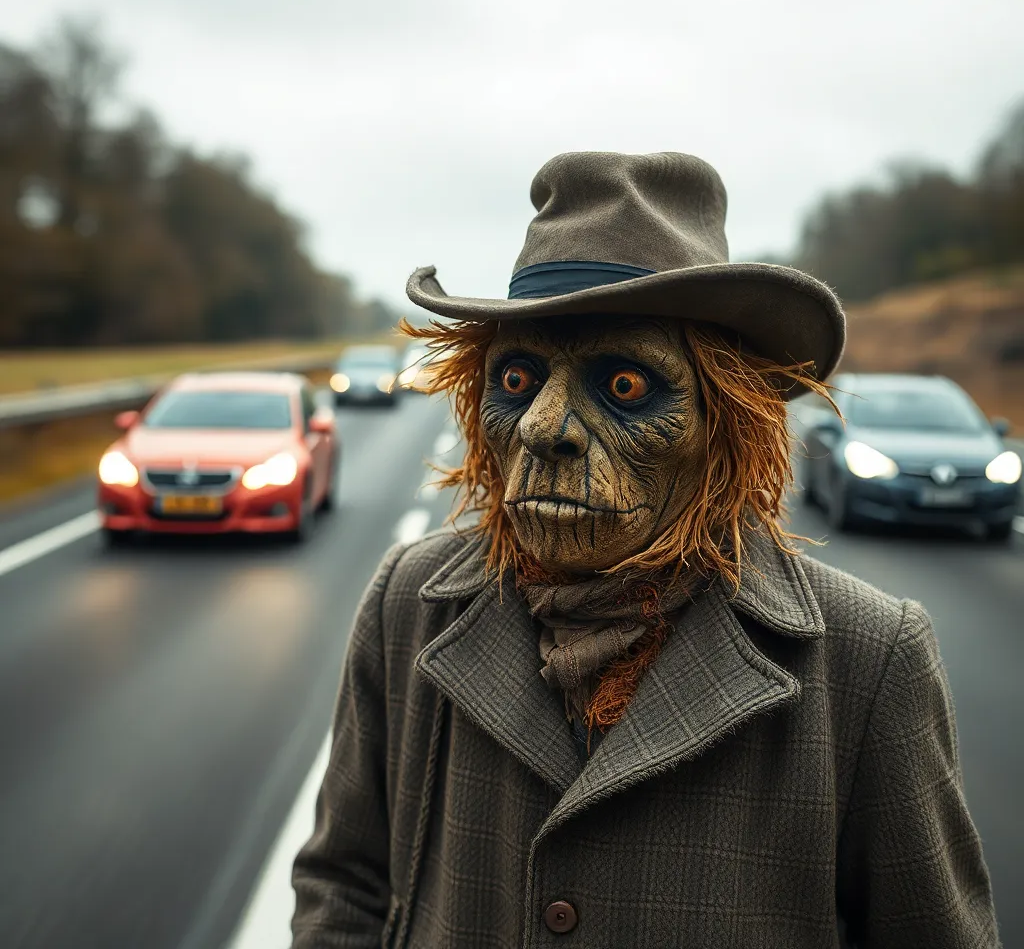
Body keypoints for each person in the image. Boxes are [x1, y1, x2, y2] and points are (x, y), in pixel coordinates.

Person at [291, 151, 1000, 947]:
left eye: (624, 385)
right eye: (518, 379)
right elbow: (343, 885)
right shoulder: (407, 605)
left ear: (722, 428)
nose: (541, 427)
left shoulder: (867, 663)